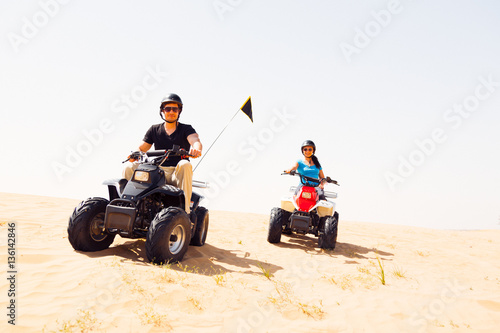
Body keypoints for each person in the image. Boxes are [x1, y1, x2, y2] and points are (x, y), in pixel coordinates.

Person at [122, 93, 202, 214]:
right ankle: (126, 205)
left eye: (174, 109)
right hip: (157, 172)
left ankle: (184, 213)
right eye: (167, 109)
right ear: (162, 111)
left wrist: (197, 148)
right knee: (129, 167)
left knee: (185, 164)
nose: (171, 112)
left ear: (179, 111)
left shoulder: (186, 129)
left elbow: (195, 140)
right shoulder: (154, 129)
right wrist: (134, 155)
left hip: (176, 172)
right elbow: (143, 147)